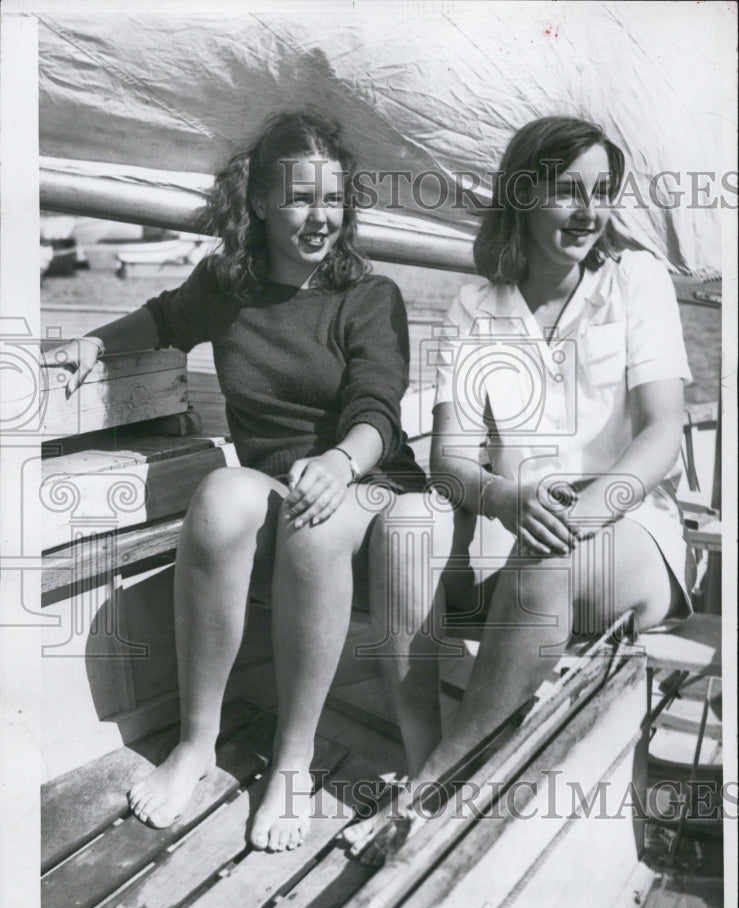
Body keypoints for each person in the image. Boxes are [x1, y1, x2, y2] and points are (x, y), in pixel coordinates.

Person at [41, 110, 434, 852]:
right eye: (299, 198)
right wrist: (94, 341)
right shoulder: (228, 283)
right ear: (257, 202)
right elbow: (162, 320)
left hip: (375, 482)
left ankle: (291, 761)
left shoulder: (369, 294)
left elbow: (378, 409)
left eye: (333, 199)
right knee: (221, 494)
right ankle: (196, 740)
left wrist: (340, 461)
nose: (320, 217)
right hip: (283, 485)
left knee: (313, 530)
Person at [342, 115, 695, 862]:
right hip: (518, 527)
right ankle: (425, 753)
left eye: (600, 192)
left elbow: (662, 431)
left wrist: (578, 516)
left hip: (632, 536)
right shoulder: (478, 306)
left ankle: (438, 790)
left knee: (546, 564)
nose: (586, 210)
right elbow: (450, 461)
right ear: (523, 194)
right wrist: (509, 501)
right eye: (567, 191)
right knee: (405, 522)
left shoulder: (634, 280)